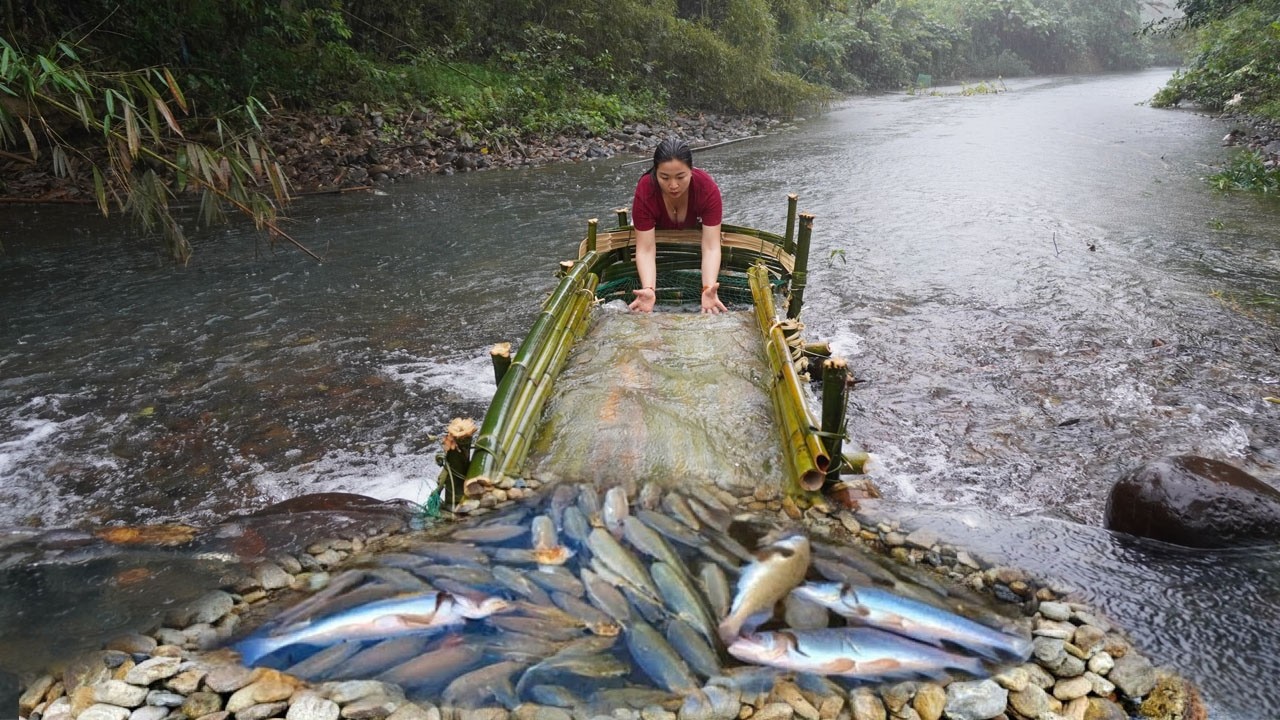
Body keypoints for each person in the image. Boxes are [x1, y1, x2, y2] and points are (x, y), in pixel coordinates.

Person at [627, 139, 728, 314]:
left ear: (691, 171)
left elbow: (711, 246)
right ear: (655, 173)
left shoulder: (707, 189)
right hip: (653, 231)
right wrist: (649, 289)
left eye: (680, 177)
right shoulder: (646, 189)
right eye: (664, 177)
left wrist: (708, 287)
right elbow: (645, 249)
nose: (673, 185)